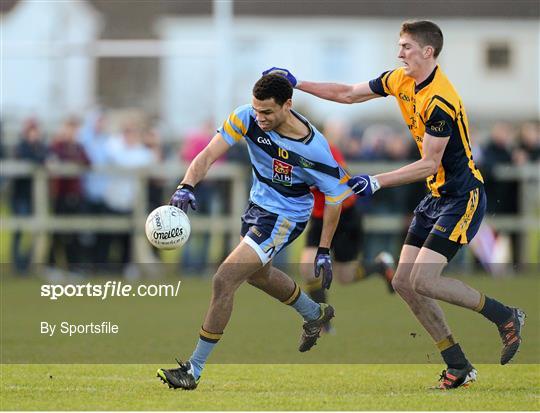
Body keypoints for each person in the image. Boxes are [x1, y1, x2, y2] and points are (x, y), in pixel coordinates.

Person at [264, 20, 525, 390]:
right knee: (404, 282)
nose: (399, 53)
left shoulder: (441, 101)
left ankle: (506, 315)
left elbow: (429, 164)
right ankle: (458, 364)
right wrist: (296, 83)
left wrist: (376, 180)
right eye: (399, 46)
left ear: (428, 52)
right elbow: (348, 93)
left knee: (423, 280)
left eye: (405, 47)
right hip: (435, 198)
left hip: (461, 198)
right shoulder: (399, 79)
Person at [157, 74, 353, 390]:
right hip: (257, 207)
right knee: (258, 276)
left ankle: (193, 369)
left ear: (288, 105)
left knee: (224, 278)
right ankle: (314, 313)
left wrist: (324, 249)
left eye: (267, 113)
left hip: (286, 217)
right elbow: (208, 154)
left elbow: (335, 200)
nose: (259, 118)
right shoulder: (247, 116)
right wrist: (186, 185)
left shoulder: (315, 149)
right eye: (256, 110)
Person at [301, 136, 395, 333]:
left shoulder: (323, 148)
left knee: (345, 277)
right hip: (319, 217)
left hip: (344, 215)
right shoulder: (287, 152)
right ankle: (322, 321)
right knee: (308, 268)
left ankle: (380, 267)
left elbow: (341, 179)